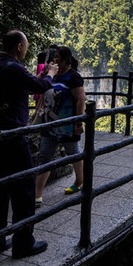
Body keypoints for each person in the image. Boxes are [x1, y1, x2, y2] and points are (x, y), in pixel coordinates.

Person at [0, 30, 58, 260]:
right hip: (13, 137)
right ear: (18, 46)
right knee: (24, 190)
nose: (26, 49)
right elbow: (39, 86)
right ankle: (23, 243)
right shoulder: (14, 68)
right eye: (25, 45)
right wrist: (51, 74)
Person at [34, 46, 86, 208]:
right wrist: (45, 74)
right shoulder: (53, 76)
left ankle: (79, 181)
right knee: (44, 157)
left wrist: (78, 122)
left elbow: (81, 99)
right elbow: (39, 87)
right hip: (49, 124)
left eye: (56, 57)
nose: (54, 60)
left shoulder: (73, 77)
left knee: (73, 153)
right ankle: (37, 196)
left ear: (65, 59)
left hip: (67, 125)